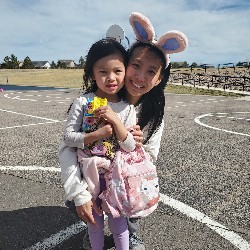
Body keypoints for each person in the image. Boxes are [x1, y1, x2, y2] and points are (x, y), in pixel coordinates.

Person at [59, 12, 188, 250]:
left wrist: (132, 146)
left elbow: (149, 159)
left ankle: (132, 230)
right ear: (124, 64)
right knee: (82, 192)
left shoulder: (153, 112)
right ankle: (93, 226)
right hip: (92, 176)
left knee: (136, 183)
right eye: (135, 65)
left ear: (159, 79)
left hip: (125, 179)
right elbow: (68, 148)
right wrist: (79, 194)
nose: (140, 76)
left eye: (151, 71)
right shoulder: (91, 103)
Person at [61, 38, 138, 250]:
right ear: (92, 74)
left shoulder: (128, 108)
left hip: (116, 178)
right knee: (94, 224)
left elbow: (130, 146)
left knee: (118, 222)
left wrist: (114, 119)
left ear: (125, 72)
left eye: (117, 71)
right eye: (103, 71)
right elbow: (68, 138)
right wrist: (97, 134)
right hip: (89, 176)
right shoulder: (83, 102)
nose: (111, 78)